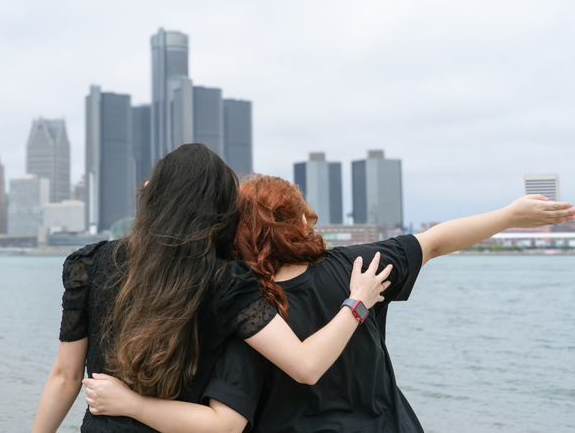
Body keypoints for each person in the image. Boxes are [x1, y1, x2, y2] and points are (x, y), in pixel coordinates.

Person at [83, 174, 575, 432]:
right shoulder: (356, 267)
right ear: (297, 221)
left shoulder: (239, 299)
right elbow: (439, 240)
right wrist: (510, 215)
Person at [31, 147, 392, 432]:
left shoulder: (90, 265)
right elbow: (306, 366)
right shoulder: (227, 283)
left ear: (151, 194)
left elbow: (65, 377)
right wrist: (358, 303)